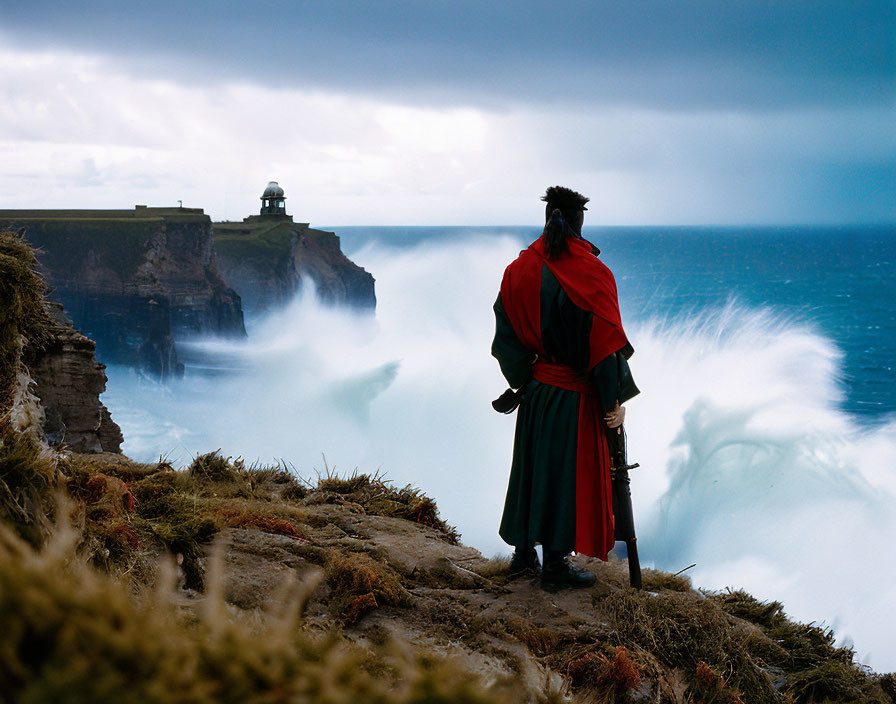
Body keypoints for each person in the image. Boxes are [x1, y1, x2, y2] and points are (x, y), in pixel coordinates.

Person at [491, 186, 639, 590]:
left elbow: (505, 335)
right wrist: (613, 402)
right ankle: (555, 566)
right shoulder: (593, 274)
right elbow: (605, 347)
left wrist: (525, 376)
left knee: (533, 470)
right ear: (579, 221)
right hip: (575, 397)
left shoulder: (517, 269)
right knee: (565, 476)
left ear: (547, 218)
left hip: (537, 393)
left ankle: (523, 558)